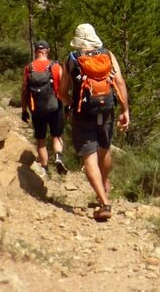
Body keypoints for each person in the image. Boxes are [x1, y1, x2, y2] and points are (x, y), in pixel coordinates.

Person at [65, 23, 130, 222]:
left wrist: (68, 104)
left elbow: (61, 90)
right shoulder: (108, 55)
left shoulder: (72, 59)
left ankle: (104, 203)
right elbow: (119, 82)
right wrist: (125, 109)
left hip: (83, 113)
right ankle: (104, 183)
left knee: (89, 156)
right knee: (105, 148)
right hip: (106, 111)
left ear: (78, 41)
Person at [21, 39, 68, 180]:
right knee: (56, 136)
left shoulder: (29, 68)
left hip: (37, 108)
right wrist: (67, 103)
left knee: (41, 140)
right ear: (47, 51)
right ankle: (58, 157)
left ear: (36, 51)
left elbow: (24, 90)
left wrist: (24, 109)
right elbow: (63, 88)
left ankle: (45, 168)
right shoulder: (55, 66)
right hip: (55, 106)